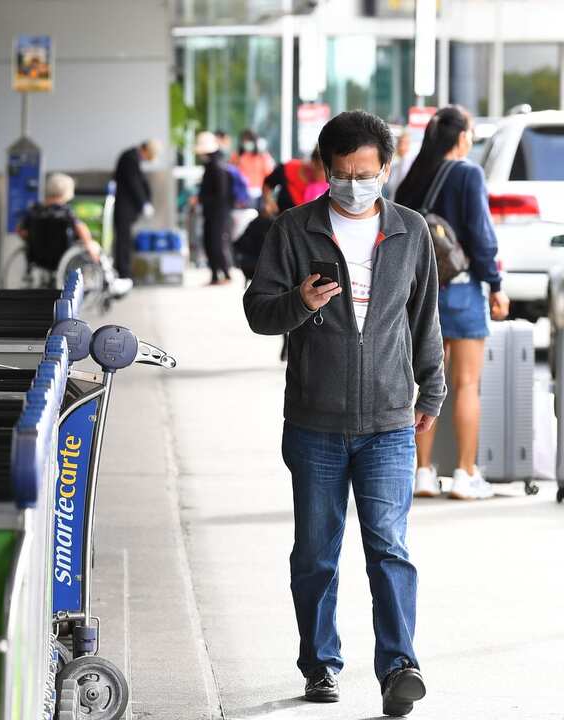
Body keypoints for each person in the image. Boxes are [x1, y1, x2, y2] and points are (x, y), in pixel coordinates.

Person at [242, 110, 443, 717]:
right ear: (324, 171)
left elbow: (423, 319)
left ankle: (399, 666)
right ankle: (320, 664)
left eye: (367, 172)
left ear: (386, 167)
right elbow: (257, 311)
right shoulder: (294, 230)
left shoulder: (410, 232)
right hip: (314, 422)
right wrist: (298, 303)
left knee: (389, 547)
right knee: (316, 552)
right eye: (343, 173)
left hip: (387, 423)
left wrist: (429, 392)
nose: (356, 184)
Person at [395, 105, 510, 500]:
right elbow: (480, 235)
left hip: (419, 292)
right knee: (464, 383)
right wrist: (495, 284)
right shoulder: (468, 173)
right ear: (462, 137)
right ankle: (464, 473)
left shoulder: (413, 177)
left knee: (425, 382)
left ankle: (422, 473)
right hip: (461, 289)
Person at [193, 131, 234, 285]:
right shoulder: (213, 165)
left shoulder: (216, 166)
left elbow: (220, 193)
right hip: (213, 212)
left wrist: (202, 199)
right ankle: (217, 275)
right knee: (210, 242)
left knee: (215, 243)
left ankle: (223, 273)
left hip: (217, 213)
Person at [111, 140, 157, 279]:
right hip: (124, 207)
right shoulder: (130, 158)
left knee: (125, 240)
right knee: (123, 241)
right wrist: (143, 203)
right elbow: (134, 182)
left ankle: (125, 272)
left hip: (127, 207)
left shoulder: (132, 157)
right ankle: (124, 273)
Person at [233, 188, 279, 282]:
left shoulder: (254, 223)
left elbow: (238, 243)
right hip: (265, 268)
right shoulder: (277, 224)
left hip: (249, 265)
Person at [233, 129, 276, 198]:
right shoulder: (238, 155)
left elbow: (269, 173)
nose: (246, 143)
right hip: (241, 192)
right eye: (244, 140)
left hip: (259, 192)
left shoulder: (263, 156)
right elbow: (232, 171)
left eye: (248, 140)